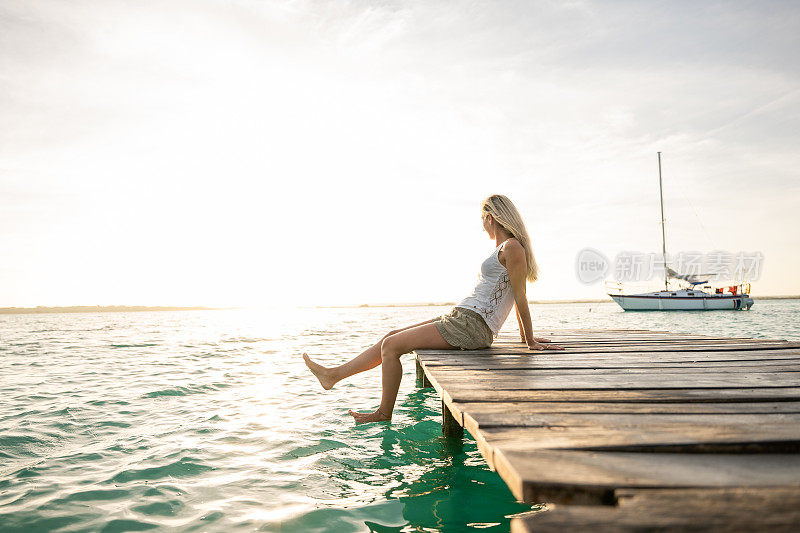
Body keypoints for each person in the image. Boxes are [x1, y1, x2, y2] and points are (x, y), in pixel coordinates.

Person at [303, 194, 564, 424]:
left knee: (392, 347)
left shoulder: (512, 247)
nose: (481, 224)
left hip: (472, 326)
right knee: (390, 337)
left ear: (490, 217)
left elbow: (520, 296)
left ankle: (383, 413)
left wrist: (528, 339)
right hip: (463, 318)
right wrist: (523, 337)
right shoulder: (503, 248)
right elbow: (512, 295)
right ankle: (333, 375)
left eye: (482, 218)